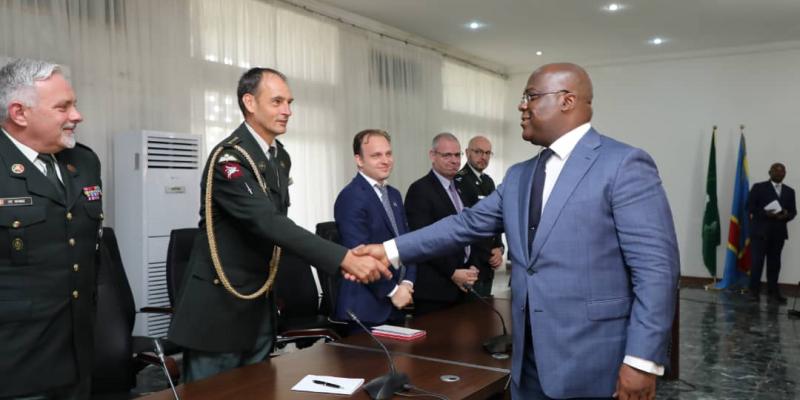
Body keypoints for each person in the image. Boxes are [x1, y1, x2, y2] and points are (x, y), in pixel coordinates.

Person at [357, 63, 679, 399]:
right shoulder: (520, 176)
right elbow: (465, 224)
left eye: (531, 96)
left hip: (595, 362)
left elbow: (657, 270)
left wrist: (642, 360)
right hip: (529, 363)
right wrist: (389, 250)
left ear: (567, 101)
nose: (521, 106)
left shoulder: (623, 164)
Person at [168, 67, 389, 382]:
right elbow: (268, 222)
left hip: (259, 303)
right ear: (250, 102)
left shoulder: (278, 157)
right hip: (220, 308)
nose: (287, 111)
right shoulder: (229, 159)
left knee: (257, 389)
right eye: (277, 102)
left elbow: (280, 223)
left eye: (289, 102)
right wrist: (344, 258)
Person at [0, 59, 103, 399]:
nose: (77, 116)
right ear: (19, 113)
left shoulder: (84, 162)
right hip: (16, 361)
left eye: (74, 104)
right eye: (63, 107)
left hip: (77, 351)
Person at [333, 129, 416, 329]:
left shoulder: (394, 195)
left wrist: (407, 284)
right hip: (365, 310)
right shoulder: (351, 196)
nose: (385, 160)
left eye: (388, 154)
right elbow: (359, 258)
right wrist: (393, 291)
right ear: (359, 160)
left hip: (396, 305)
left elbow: (408, 242)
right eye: (376, 155)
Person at [404, 133, 478, 315]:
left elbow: (472, 230)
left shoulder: (464, 189)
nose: (454, 161)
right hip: (435, 291)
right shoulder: (420, 190)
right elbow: (423, 240)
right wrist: (453, 272)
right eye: (447, 155)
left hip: (464, 287)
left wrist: (474, 266)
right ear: (432, 156)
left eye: (457, 155)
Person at [455, 135, 504, 296]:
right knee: (471, 315)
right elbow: (469, 224)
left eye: (488, 153)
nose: (483, 157)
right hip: (472, 263)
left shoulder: (488, 181)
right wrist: (490, 253)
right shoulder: (459, 181)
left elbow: (496, 217)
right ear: (468, 152)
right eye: (478, 152)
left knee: (485, 315)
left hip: (488, 263)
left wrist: (499, 248)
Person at [748, 162, 796, 303]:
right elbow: (750, 207)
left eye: (783, 171)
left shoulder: (790, 191)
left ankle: (773, 293)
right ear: (770, 172)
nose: (780, 173)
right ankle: (753, 292)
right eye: (776, 171)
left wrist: (786, 215)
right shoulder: (759, 187)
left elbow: (793, 211)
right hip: (760, 233)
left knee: (775, 264)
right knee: (757, 263)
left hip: (779, 233)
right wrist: (764, 213)